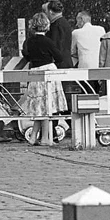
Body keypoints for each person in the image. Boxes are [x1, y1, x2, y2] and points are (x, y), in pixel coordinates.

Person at [20, 12, 68, 145]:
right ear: (46, 25)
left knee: (39, 107)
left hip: (35, 73)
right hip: (48, 72)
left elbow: (26, 55)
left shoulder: (28, 42)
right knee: (47, 106)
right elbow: (59, 57)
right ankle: (46, 138)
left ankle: (34, 136)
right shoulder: (48, 42)